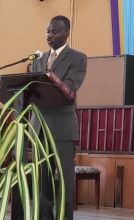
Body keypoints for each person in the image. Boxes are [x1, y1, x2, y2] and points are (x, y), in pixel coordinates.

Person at [31, 15, 87, 220]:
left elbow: (70, 88)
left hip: (62, 128)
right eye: (47, 31)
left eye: (54, 31)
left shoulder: (78, 58)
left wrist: (47, 80)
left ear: (66, 33)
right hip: (38, 128)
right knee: (42, 181)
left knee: (63, 180)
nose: (49, 35)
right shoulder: (38, 61)